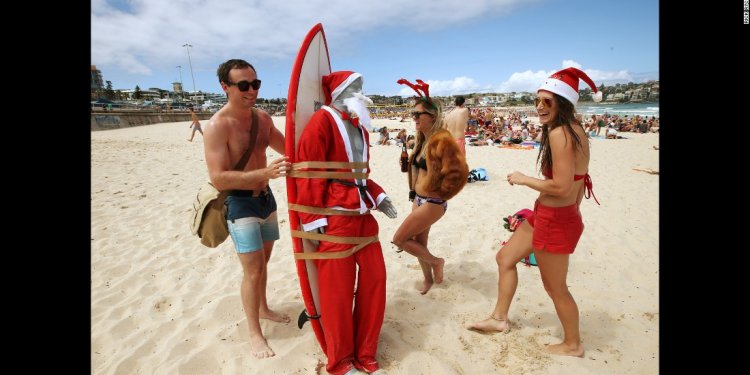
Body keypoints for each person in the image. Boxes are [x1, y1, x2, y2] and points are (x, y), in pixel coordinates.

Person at [467, 67, 601, 358]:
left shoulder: (560, 133)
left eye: (547, 101)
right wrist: (567, 213)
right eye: (537, 100)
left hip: (555, 220)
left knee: (555, 288)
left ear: (563, 102)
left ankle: (573, 344)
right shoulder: (575, 130)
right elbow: (577, 186)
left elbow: (563, 186)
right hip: (548, 216)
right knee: (505, 258)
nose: (539, 107)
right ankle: (500, 319)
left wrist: (524, 178)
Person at [295, 71, 398, 375]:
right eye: (356, 87)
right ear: (339, 91)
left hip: (364, 218)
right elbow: (310, 173)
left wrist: (378, 197)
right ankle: (340, 361)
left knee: (375, 282)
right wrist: (312, 220)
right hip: (335, 219)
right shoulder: (321, 121)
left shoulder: (359, 126)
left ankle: (365, 352)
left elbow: (359, 176)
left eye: (362, 86)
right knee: (336, 293)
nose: (362, 92)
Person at [202, 59, 292, 359]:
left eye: (256, 84)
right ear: (225, 87)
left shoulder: (263, 119)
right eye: (243, 85)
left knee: (264, 262)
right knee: (252, 271)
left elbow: (289, 148)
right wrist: (263, 174)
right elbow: (218, 177)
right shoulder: (217, 126)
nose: (252, 90)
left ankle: (263, 308)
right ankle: (254, 333)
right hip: (239, 204)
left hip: (265, 200)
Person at [392, 78, 469, 294]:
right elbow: (422, 168)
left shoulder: (441, 139)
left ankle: (437, 262)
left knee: (400, 239)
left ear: (432, 116)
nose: (414, 118)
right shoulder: (422, 138)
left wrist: (441, 194)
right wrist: (408, 166)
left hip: (433, 202)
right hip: (418, 199)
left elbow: (459, 173)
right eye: (413, 114)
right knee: (418, 243)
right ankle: (428, 280)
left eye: (418, 114)